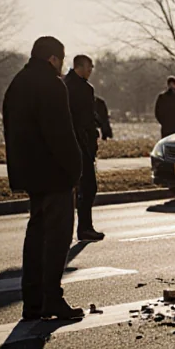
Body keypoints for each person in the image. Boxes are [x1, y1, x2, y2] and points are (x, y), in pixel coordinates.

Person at [2, 36, 84, 321]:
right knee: (57, 239)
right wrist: (76, 169)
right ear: (53, 59)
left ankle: (32, 301)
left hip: (30, 175)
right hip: (55, 174)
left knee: (35, 236)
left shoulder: (18, 83)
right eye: (61, 59)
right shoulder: (51, 85)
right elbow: (61, 134)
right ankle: (52, 299)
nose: (62, 66)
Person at [64, 54, 104, 241]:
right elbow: (85, 119)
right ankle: (84, 227)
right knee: (88, 187)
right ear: (79, 67)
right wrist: (91, 140)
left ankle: (75, 229)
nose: (91, 70)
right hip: (82, 144)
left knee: (75, 190)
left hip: (70, 143)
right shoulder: (82, 88)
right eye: (89, 67)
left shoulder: (63, 84)